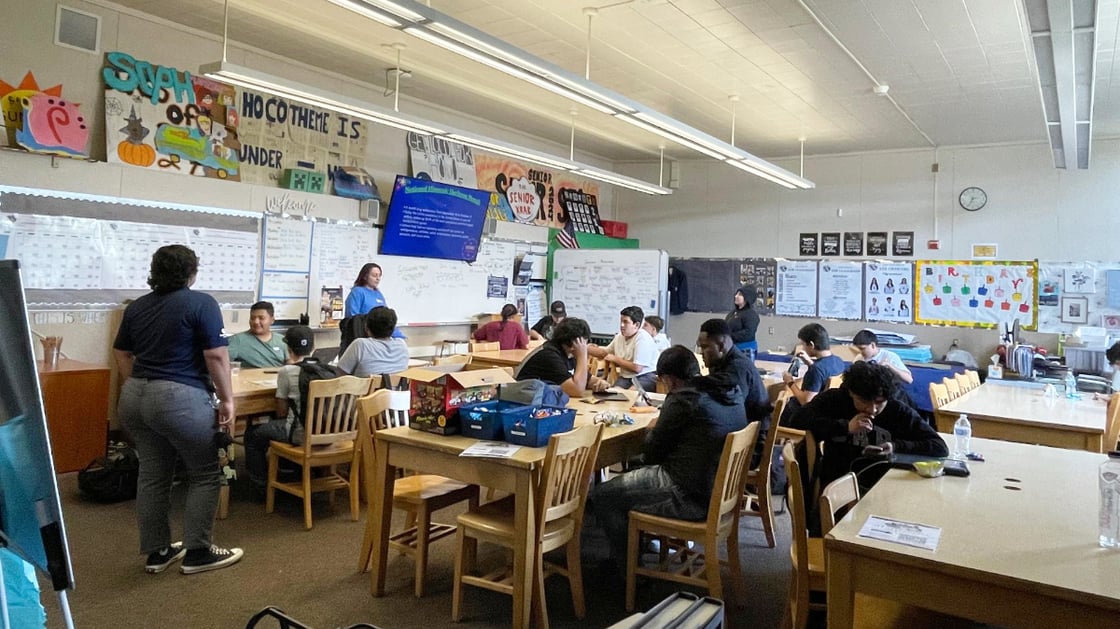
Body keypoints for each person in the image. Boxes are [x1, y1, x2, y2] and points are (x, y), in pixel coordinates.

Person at [112, 244, 243, 575]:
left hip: (135, 397)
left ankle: (157, 553)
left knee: (154, 474)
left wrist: (139, 385)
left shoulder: (137, 307)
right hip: (178, 398)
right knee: (205, 472)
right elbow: (216, 357)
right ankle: (198, 552)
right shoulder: (202, 303)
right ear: (191, 272)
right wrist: (227, 399)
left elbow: (122, 354)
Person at [587, 346, 746, 573]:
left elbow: (652, 454)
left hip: (688, 495)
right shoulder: (729, 392)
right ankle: (639, 544)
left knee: (604, 495)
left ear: (669, 380)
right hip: (716, 492)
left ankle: (625, 568)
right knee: (631, 475)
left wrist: (653, 428)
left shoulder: (683, 399)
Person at [791, 361, 948, 490]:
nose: (872, 410)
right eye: (864, 402)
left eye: (879, 403)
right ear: (851, 393)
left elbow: (939, 446)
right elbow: (796, 419)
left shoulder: (897, 409)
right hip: (838, 480)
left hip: (886, 483)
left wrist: (895, 446)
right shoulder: (835, 400)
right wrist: (845, 427)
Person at [244, 326, 318, 491]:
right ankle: (292, 470)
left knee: (252, 435)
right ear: (314, 348)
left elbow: (281, 411)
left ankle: (261, 486)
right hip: (327, 434)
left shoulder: (287, 371)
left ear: (288, 348)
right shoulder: (330, 371)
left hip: (300, 434)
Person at [697, 318, 770, 424]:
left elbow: (730, 408)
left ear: (721, 346)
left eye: (704, 347)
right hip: (745, 428)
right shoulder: (722, 362)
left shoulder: (737, 367)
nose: (701, 353)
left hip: (751, 434)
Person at [515, 317, 610, 396]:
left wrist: (599, 382)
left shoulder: (569, 353)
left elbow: (586, 379)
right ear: (577, 342)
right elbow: (577, 390)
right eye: (584, 341)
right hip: (524, 401)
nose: (585, 345)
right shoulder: (550, 355)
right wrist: (582, 355)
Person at [782, 322, 847, 416]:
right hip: (831, 412)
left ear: (811, 345)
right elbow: (823, 374)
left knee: (780, 403)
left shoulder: (816, 370)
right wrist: (810, 363)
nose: (803, 348)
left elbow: (806, 402)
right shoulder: (838, 361)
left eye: (803, 345)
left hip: (811, 417)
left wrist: (790, 382)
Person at [587, 306, 658, 390]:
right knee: (613, 394)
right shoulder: (620, 336)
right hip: (625, 377)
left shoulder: (643, 338)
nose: (621, 325)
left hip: (645, 376)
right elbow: (604, 353)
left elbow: (637, 368)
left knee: (631, 394)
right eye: (621, 321)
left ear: (636, 325)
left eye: (626, 322)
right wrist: (586, 347)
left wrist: (615, 359)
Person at [337, 307, 410, 377]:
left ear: (366, 327)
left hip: (365, 389)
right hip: (395, 390)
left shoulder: (360, 345)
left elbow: (341, 375)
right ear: (394, 328)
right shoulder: (402, 345)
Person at [345, 263, 404, 338]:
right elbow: (353, 319)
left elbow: (387, 318)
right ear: (365, 277)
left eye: (379, 276)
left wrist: (399, 336)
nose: (378, 278)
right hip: (365, 336)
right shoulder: (357, 292)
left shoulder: (378, 294)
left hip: (381, 335)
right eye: (374, 275)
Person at [225, 301, 286, 368]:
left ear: (272, 320)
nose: (256, 322)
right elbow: (221, 363)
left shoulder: (282, 341)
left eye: (261, 318)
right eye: (252, 318)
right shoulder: (237, 340)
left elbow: (292, 364)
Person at [726, 286, 760, 356]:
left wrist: (729, 336)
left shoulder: (751, 314)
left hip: (745, 350)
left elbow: (748, 333)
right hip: (731, 348)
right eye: (736, 294)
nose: (736, 296)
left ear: (747, 298)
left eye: (740, 295)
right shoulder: (732, 313)